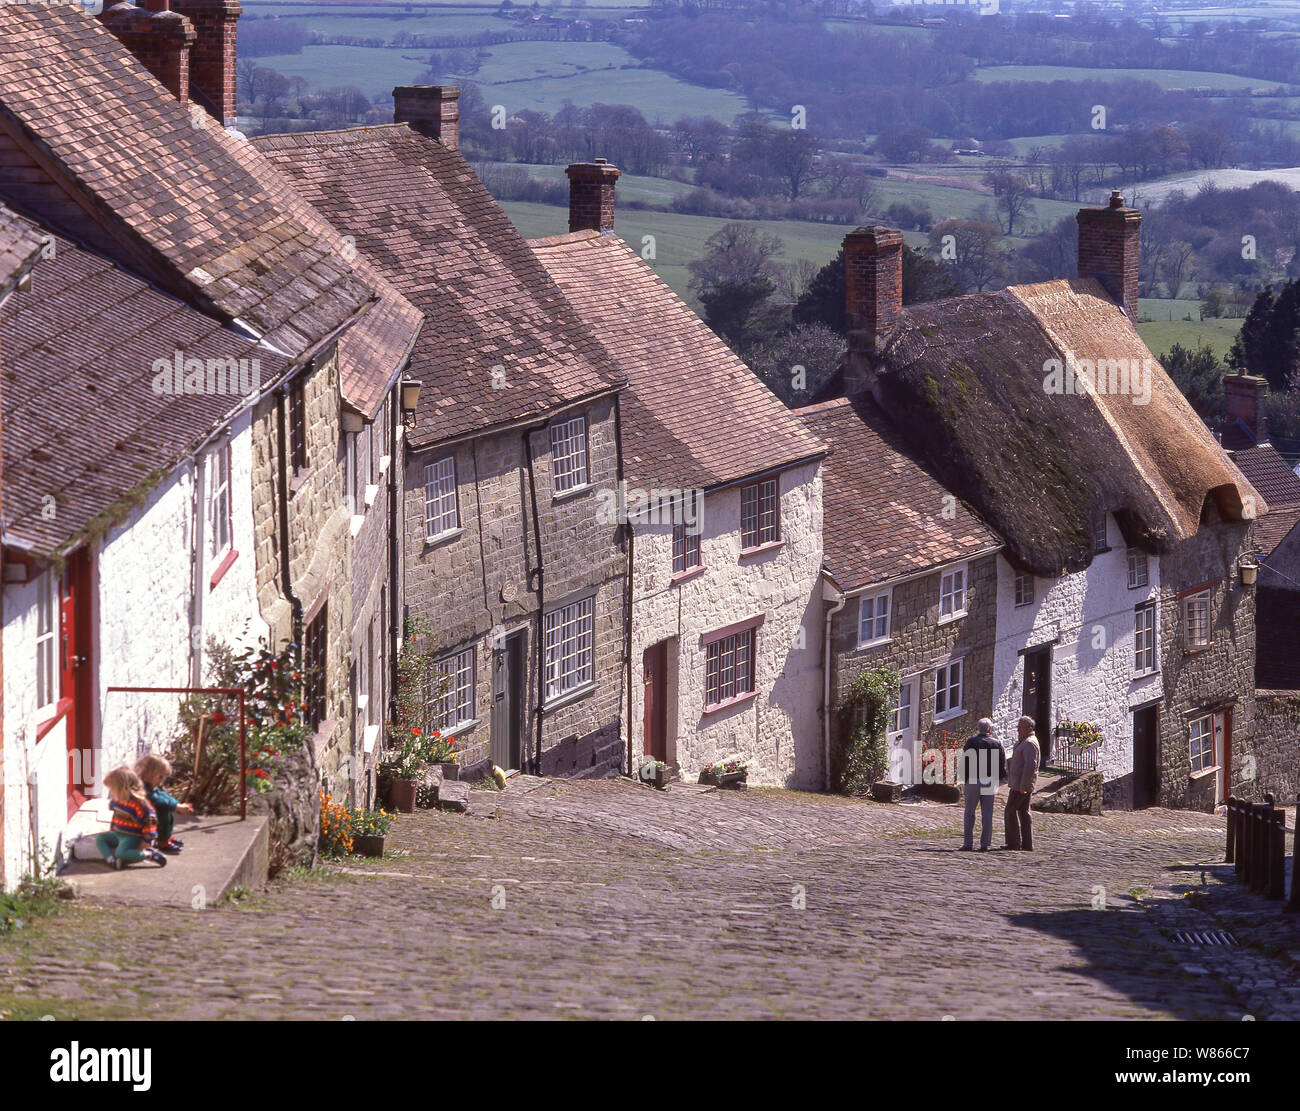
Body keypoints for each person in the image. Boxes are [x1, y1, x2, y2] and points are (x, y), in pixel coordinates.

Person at [96, 767, 167, 870]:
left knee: (121, 852)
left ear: (121, 788)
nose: (111, 792)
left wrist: (146, 841)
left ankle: (149, 854)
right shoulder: (118, 800)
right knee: (100, 838)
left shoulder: (139, 804)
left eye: (112, 789)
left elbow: (150, 821)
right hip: (117, 833)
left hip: (132, 837)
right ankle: (112, 860)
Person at [959, 718, 1005, 851]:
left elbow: (965, 761)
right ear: (990, 729)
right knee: (987, 813)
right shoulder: (996, 743)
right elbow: (1001, 764)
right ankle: (985, 843)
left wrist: (964, 778)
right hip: (989, 780)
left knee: (969, 812)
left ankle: (968, 843)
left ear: (978, 729)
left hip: (973, 780)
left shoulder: (971, 742)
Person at [135, 753, 192, 855]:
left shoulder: (151, 786)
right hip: (139, 819)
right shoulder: (142, 788)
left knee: (167, 811)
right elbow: (157, 801)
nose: (161, 781)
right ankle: (162, 842)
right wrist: (176, 807)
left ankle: (165, 838)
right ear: (149, 773)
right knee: (163, 813)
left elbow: (163, 795)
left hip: (145, 815)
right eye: (160, 777)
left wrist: (177, 804)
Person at [1005, 715, 1041, 851]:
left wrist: (1023, 786)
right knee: (1024, 812)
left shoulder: (1030, 743)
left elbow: (1030, 766)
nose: (1017, 729)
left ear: (1029, 728)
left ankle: (1013, 842)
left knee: (1010, 811)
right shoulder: (1024, 741)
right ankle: (1027, 844)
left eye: (1020, 727)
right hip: (1018, 784)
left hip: (1021, 785)